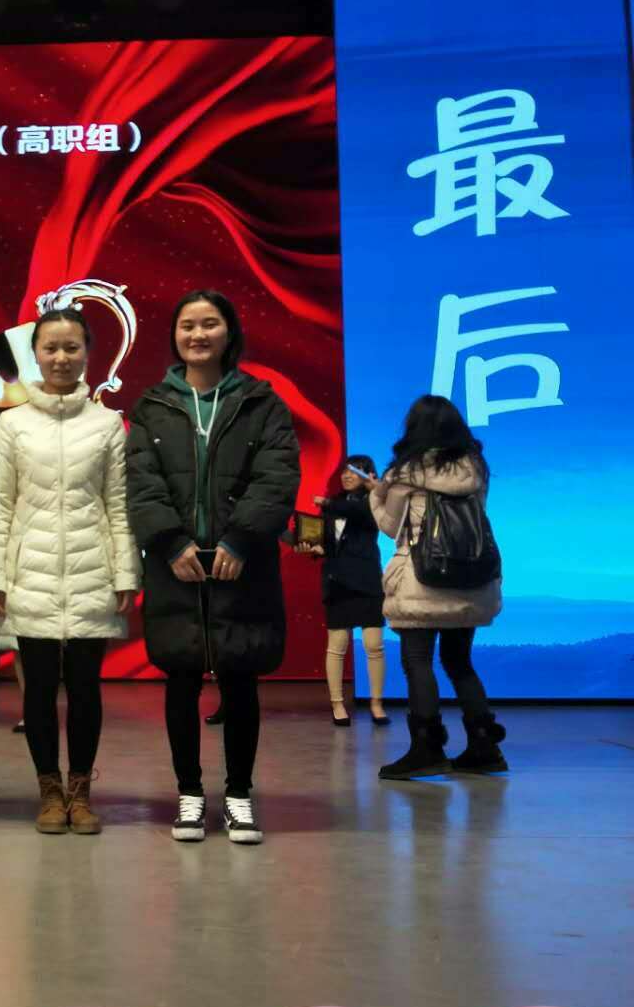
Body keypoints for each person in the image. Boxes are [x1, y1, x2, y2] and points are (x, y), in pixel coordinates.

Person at [126, 290, 299, 844]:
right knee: (180, 679)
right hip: (174, 567)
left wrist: (241, 539)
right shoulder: (153, 405)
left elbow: (277, 475)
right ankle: (190, 794)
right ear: (174, 335)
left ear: (229, 332)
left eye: (209, 324)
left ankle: (240, 795)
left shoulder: (260, 402)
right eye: (187, 325)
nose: (197, 335)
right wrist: (170, 542)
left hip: (240, 566)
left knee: (239, 679)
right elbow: (141, 481)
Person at [0, 307, 139, 834]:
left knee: (87, 689)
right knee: (40, 691)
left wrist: (126, 573)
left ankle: (81, 791)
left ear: (87, 354)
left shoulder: (106, 423)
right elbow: (2, 506)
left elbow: (118, 505)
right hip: (31, 572)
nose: (61, 358)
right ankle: (49, 791)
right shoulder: (12, 423)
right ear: (36, 355)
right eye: (50, 348)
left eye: (72, 347)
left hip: (93, 568)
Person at [369, 395, 504, 779]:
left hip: (422, 582)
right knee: (459, 662)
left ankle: (426, 749)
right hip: (471, 581)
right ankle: (485, 747)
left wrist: (376, 496)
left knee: (418, 661)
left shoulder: (406, 473)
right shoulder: (475, 470)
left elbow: (391, 527)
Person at [295, 454, 388, 726]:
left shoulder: (374, 501)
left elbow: (361, 515)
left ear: (369, 475)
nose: (347, 476)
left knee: (374, 645)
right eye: (345, 472)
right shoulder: (334, 504)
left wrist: (328, 503)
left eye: (354, 472)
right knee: (337, 646)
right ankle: (337, 704)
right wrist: (314, 548)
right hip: (337, 580)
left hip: (367, 579)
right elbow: (328, 543)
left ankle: (377, 704)